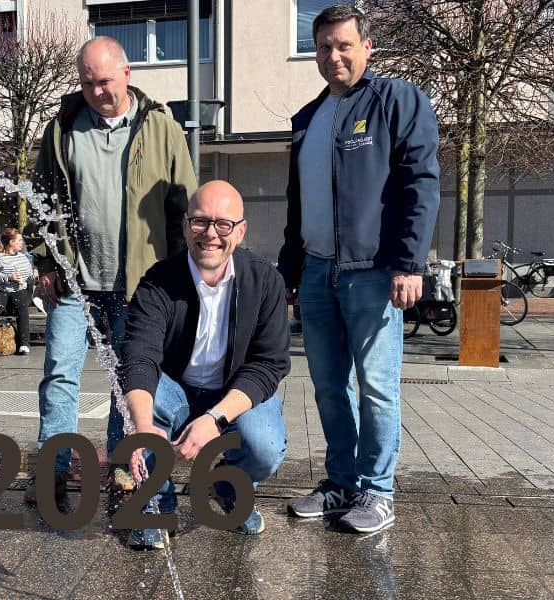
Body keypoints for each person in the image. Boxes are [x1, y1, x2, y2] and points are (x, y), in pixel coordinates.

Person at [276, 6, 440, 533]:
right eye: (324, 46)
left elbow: (421, 182)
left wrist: (409, 262)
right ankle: (341, 482)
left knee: (377, 386)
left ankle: (378, 491)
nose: (333, 56)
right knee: (327, 385)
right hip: (317, 272)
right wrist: (289, 273)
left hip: (373, 271)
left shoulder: (396, 101)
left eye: (344, 45)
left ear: (367, 47)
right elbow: (296, 203)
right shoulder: (309, 118)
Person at [26, 36, 197, 506]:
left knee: (130, 383)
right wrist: (46, 260)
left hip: (138, 285)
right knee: (60, 376)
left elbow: (185, 206)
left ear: (127, 74)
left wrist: (181, 276)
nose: (97, 91)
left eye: (104, 81)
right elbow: (42, 200)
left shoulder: (161, 128)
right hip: (75, 282)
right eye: (86, 82)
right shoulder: (62, 128)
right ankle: (52, 472)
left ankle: (126, 476)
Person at [119, 180, 289, 550]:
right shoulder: (158, 282)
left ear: (240, 231)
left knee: (265, 446)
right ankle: (155, 505)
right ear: (185, 225)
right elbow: (139, 357)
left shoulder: (265, 282)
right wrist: (143, 427)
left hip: (233, 395)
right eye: (200, 222)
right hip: (177, 391)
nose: (211, 234)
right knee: (131, 406)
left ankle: (228, 486)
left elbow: (269, 364)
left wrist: (215, 420)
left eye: (223, 224)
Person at [0, 227, 35, 356]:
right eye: (19, 240)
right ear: (11, 242)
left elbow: (29, 275)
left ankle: (24, 343)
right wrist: (9, 277)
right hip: (0, 289)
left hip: (18, 290)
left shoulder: (23, 258)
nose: (22, 243)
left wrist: (24, 281)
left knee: (22, 309)